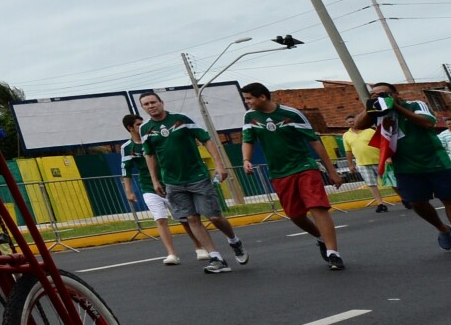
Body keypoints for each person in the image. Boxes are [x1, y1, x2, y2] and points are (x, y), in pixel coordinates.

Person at [350, 83, 451, 254]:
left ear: (395, 94)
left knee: (450, 200)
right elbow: (358, 124)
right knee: (416, 202)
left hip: (435, 161)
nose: (379, 97)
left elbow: (428, 123)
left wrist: (398, 108)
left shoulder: (416, 105)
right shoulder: (377, 113)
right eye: (374, 95)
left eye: (383, 94)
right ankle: (442, 228)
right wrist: (370, 107)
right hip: (405, 165)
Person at [239, 83, 346, 270]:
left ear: (262, 97)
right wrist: (246, 159)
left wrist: (332, 171)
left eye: (249, 98)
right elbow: (248, 140)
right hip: (279, 172)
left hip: (304, 166)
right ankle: (320, 238)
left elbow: (315, 142)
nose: (247, 102)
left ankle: (333, 253)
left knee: (317, 206)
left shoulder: (292, 114)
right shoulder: (250, 117)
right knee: (295, 215)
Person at [137, 92, 247, 273]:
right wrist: (155, 180)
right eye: (146, 104)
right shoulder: (145, 129)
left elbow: (206, 140)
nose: (151, 106)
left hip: (197, 177)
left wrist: (219, 165)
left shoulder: (181, 120)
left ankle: (234, 241)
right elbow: (149, 155)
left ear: (161, 102)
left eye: (153, 102)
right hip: (172, 182)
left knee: (214, 216)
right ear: (143, 108)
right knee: (192, 218)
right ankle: (216, 258)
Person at [120, 113, 205, 265]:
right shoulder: (127, 148)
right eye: (138, 124)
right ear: (130, 128)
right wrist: (129, 190)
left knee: (186, 218)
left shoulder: (153, 137)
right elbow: (126, 170)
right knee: (160, 219)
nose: (141, 126)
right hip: (148, 187)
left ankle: (199, 246)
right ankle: (171, 254)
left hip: (171, 184)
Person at [340, 122, 393, 211]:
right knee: (371, 184)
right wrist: (351, 165)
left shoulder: (369, 131)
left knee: (390, 180)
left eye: (353, 121)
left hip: (379, 161)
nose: (351, 123)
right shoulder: (346, 135)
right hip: (362, 163)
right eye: (349, 122)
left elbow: (382, 144)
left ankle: (404, 198)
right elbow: (348, 151)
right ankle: (380, 203)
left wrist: (387, 157)